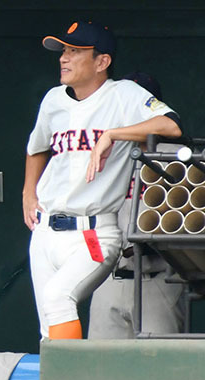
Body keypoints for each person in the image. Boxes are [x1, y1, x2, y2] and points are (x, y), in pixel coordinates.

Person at [22, 21, 182, 340]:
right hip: (46, 228)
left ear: (101, 61)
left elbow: (172, 126)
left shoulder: (123, 94)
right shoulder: (53, 100)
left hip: (93, 229)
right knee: (48, 325)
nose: (64, 58)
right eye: (63, 51)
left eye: (75, 51)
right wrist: (28, 193)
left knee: (58, 299)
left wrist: (113, 134)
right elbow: (36, 148)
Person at [88, 72, 185, 338]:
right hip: (109, 274)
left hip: (158, 277)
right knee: (100, 369)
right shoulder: (103, 152)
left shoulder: (174, 158)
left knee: (160, 368)